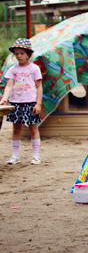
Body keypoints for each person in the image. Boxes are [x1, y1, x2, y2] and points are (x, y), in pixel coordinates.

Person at [1, 37, 43, 165]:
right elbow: (9, 85)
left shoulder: (34, 68)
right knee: (16, 129)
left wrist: (38, 104)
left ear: (28, 55)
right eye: (17, 53)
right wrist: (4, 98)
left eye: (22, 53)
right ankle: (15, 156)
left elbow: (39, 87)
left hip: (30, 102)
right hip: (15, 103)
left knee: (33, 129)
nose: (19, 56)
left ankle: (36, 156)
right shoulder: (13, 69)